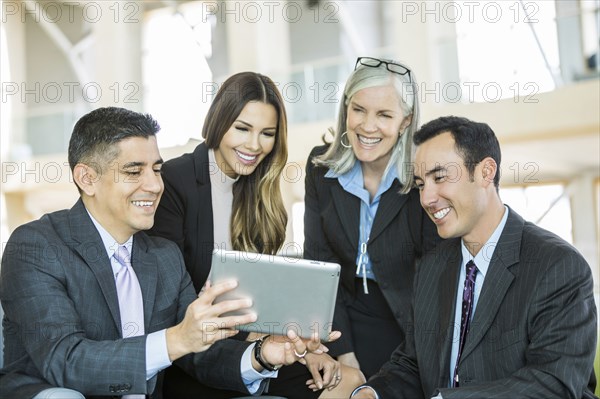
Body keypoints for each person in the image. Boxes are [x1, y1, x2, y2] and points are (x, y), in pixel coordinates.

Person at [0, 107, 332, 399]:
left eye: (156, 169)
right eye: (134, 172)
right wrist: (176, 339)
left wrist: (262, 354)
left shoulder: (163, 256)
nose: (155, 185)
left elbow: (197, 352)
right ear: (87, 178)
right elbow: (66, 362)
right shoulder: (36, 247)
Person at [149, 72, 364, 398]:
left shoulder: (257, 188)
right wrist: (260, 345)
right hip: (196, 355)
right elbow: (171, 306)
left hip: (252, 343)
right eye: (242, 129)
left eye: (267, 134)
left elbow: (259, 301)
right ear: (219, 122)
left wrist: (305, 349)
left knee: (347, 380)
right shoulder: (175, 182)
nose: (254, 145)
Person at [351, 116, 598, 398]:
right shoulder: (433, 266)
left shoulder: (557, 266)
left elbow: (555, 383)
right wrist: (372, 393)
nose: (427, 198)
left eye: (439, 177)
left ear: (485, 172)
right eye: (421, 184)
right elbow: (413, 363)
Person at [303, 57, 440, 378]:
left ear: (405, 122)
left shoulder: (423, 176)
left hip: (409, 325)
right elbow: (319, 265)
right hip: (341, 318)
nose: (367, 126)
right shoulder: (319, 168)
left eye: (384, 115)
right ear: (346, 108)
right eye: (359, 109)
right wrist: (344, 355)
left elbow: (436, 278)